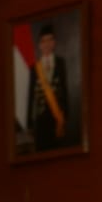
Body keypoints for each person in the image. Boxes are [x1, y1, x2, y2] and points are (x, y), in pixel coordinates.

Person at [26, 23, 69, 153]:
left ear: (54, 43)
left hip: (57, 117)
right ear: (39, 45)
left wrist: (65, 114)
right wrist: (29, 121)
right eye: (44, 41)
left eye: (50, 39)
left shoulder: (61, 63)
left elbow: (65, 89)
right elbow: (31, 95)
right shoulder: (35, 68)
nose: (47, 43)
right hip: (41, 118)